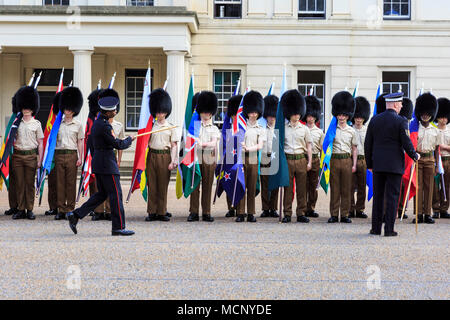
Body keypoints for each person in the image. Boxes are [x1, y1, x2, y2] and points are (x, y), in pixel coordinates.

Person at [67, 94, 136, 236]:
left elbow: (92, 145)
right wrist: (129, 139)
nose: (115, 111)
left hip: (99, 163)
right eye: (113, 110)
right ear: (108, 112)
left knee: (102, 194)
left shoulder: (97, 124)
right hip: (107, 165)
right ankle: (118, 227)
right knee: (116, 195)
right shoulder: (105, 126)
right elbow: (117, 144)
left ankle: (76, 215)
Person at [365, 92, 419, 237]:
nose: (402, 106)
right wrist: (414, 155)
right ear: (395, 104)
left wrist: (369, 164)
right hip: (394, 166)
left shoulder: (375, 120)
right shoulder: (401, 121)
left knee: (378, 198)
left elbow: (368, 144)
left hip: (378, 165)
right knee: (392, 197)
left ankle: (375, 229)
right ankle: (389, 229)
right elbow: (406, 142)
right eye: (400, 103)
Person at [145, 88, 179, 222]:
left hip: (165, 156)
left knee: (163, 185)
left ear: (166, 112)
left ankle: (162, 211)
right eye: (158, 111)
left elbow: (174, 145)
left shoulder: (171, 127)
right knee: (152, 184)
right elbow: (145, 144)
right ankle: (152, 211)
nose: (160, 114)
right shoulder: (150, 127)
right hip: (152, 155)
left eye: (162, 111)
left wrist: (173, 160)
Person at [11, 86, 44, 220]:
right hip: (18, 155)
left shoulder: (37, 124)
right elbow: (10, 140)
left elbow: (40, 143)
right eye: (24, 107)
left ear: (32, 108)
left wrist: (40, 160)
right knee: (19, 184)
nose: (26, 110)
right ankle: (20, 209)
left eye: (28, 107)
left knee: (29, 184)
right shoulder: (16, 123)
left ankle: (29, 209)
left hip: (31, 156)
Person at [188, 91, 220, 222]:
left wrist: (203, 143)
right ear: (200, 111)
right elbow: (190, 141)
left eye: (208, 112)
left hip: (209, 156)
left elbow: (214, 143)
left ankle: (206, 212)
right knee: (194, 185)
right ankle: (193, 212)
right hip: (195, 156)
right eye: (204, 111)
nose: (206, 114)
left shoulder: (214, 128)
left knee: (207, 184)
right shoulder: (194, 126)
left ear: (211, 113)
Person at [281, 89, 312, 223]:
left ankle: (301, 212)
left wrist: (309, 162)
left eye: (299, 113)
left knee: (301, 188)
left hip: (300, 159)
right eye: (295, 113)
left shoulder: (305, 129)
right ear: (289, 113)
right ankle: (287, 213)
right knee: (288, 189)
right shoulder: (283, 128)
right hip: (288, 159)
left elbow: (309, 146)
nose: (297, 116)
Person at [54, 87, 84, 220]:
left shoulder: (78, 125)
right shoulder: (57, 124)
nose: (68, 111)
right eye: (66, 108)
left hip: (72, 155)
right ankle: (61, 208)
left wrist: (80, 157)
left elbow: (80, 142)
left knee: (71, 183)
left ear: (74, 110)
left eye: (71, 109)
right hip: (59, 154)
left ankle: (70, 209)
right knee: (60, 183)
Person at [236, 91, 266, 223]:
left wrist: (249, 148)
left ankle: (251, 212)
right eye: (251, 112)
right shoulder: (241, 125)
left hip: (253, 156)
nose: (253, 115)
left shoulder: (261, 128)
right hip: (241, 157)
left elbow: (260, 145)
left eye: (255, 112)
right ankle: (240, 212)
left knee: (252, 186)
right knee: (241, 185)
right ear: (247, 112)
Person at [328, 91, 357, 224]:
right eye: (339, 114)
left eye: (344, 115)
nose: (341, 117)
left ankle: (345, 214)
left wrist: (354, 164)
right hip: (334, 159)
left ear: (348, 115)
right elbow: (327, 146)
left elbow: (354, 148)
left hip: (346, 160)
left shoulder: (351, 131)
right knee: (335, 188)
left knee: (346, 188)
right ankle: (334, 214)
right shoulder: (331, 130)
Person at [413, 93, 442, 224]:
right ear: (420, 113)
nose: (425, 116)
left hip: (430, 160)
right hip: (418, 160)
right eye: (423, 113)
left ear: (432, 114)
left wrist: (437, 165)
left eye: (428, 113)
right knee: (417, 187)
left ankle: (427, 213)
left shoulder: (436, 130)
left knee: (429, 187)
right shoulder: (415, 128)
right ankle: (418, 214)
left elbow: (437, 149)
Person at [350, 96, 371, 219]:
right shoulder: (350, 129)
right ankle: (350, 208)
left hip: (363, 159)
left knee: (362, 186)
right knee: (350, 186)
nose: (358, 120)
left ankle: (360, 209)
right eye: (357, 117)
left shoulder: (367, 130)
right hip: (351, 160)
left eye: (361, 117)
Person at [303, 95, 324, 218]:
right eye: (308, 116)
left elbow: (322, 148)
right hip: (303, 158)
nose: (310, 119)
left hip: (315, 158)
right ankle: (303, 208)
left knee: (313, 185)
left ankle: (311, 207)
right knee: (303, 185)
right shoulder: (302, 129)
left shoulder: (320, 132)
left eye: (312, 116)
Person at [260, 94, 280, 218]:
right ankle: (265, 208)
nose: (271, 118)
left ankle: (273, 208)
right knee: (265, 184)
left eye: (273, 116)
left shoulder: (279, 128)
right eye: (269, 116)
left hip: (275, 157)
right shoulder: (261, 128)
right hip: (264, 157)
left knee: (275, 185)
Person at [223, 95, 242, 218]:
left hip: (240, 155)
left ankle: (240, 207)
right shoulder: (228, 124)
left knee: (239, 181)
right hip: (229, 155)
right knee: (229, 180)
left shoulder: (242, 123)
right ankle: (231, 207)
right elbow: (224, 140)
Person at [432, 97, 450, 219]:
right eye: (441, 117)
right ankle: (436, 208)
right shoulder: (433, 130)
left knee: (447, 186)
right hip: (436, 160)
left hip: (447, 159)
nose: (443, 119)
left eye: (445, 117)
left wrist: (443, 147)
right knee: (435, 186)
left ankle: (444, 208)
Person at [397, 97, 414, 219]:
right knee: (398, 185)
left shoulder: (409, 125)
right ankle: (396, 208)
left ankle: (402, 208)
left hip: (406, 157)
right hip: (398, 156)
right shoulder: (399, 123)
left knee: (405, 184)